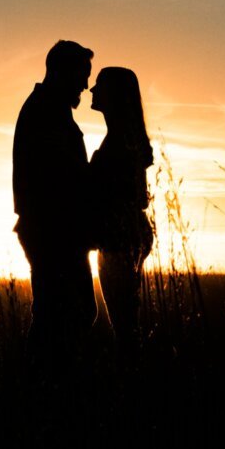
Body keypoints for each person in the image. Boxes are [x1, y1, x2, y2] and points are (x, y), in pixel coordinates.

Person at [12, 39, 97, 374]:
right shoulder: (45, 111)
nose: (86, 84)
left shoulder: (50, 108)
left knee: (63, 312)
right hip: (52, 231)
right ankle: (47, 385)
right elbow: (61, 175)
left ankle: (48, 383)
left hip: (56, 230)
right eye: (82, 74)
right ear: (61, 70)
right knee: (60, 314)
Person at [88, 67, 154, 358]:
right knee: (126, 323)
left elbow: (135, 198)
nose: (92, 90)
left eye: (99, 85)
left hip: (119, 239)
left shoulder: (120, 142)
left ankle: (132, 383)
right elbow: (141, 198)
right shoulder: (125, 137)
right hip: (126, 235)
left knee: (124, 327)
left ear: (114, 94)